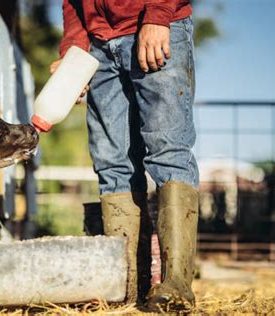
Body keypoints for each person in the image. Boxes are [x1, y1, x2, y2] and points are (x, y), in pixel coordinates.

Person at [51, 0, 199, 311]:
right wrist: (74, 52)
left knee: (167, 150)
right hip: (98, 45)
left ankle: (176, 287)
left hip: (153, 24)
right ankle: (125, 286)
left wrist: (159, 14)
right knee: (111, 163)